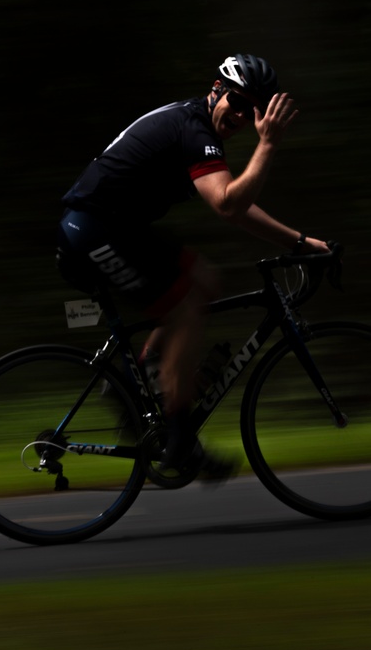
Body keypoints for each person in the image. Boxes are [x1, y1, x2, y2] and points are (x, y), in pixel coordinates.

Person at [57, 53, 330, 479]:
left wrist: (298, 242)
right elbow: (227, 204)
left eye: (252, 110)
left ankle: (144, 374)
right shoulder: (194, 130)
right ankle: (181, 438)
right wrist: (269, 144)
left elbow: (236, 208)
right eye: (236, 102)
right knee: (184, 309)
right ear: (216, 90)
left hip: (116, 229)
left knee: (204, 280)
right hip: (92, 230)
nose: (241, 116)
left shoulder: (197, 126)